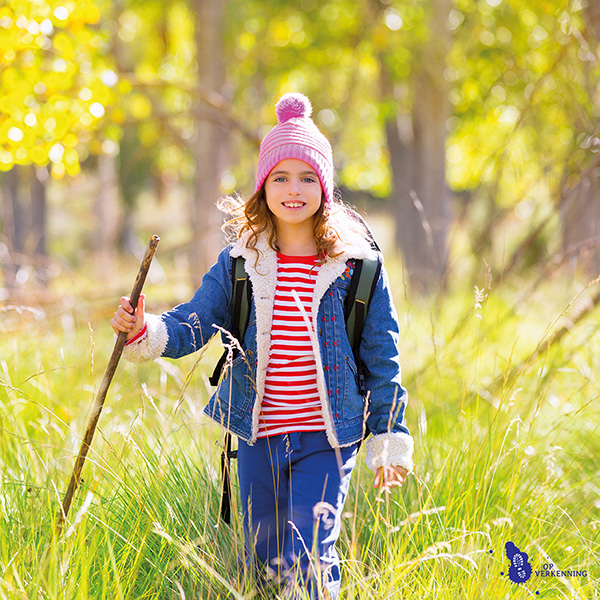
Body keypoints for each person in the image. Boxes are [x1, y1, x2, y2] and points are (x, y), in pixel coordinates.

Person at [111, 93, 413, 599]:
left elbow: (383, 359)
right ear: (262, 186)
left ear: (326, 186)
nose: (294, 190)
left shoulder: (357, 268)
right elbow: (194, 322)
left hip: (327, 436)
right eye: (281, 177)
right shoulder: (241, 263)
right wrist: (145, 329)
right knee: (263, 559)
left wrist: (386, 438)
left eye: (307, 178)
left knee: (311, 554)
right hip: (258, 437)